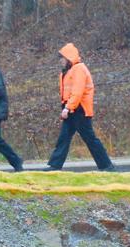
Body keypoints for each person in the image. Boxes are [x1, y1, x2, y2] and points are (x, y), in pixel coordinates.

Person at [45, 43, 114, 172]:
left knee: (90, 139)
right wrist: (67, 107)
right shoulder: (69, 71)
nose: (60, 61)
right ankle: (55, 166)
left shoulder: (79, 69)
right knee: (64, 138)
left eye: (62, 58)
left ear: (68, 58)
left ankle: (107, 166)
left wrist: (67, 108)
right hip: (72, 109)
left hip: (79, 110)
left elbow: (77, 91)